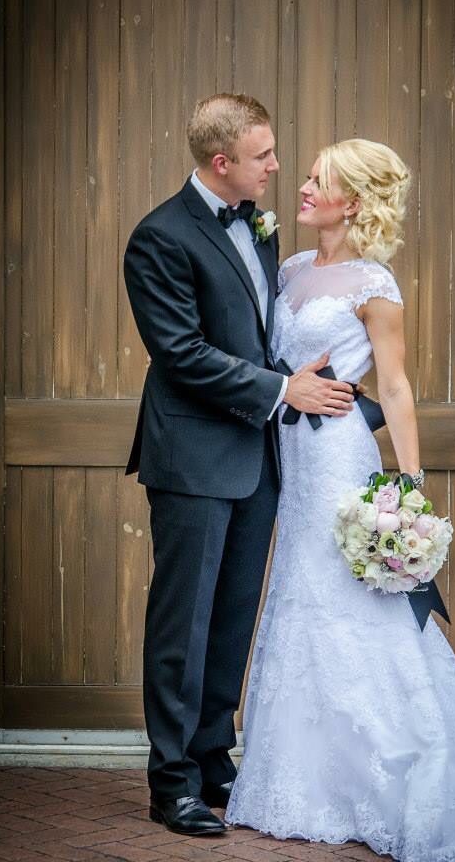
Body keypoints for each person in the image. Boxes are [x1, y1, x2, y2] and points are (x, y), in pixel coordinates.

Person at [225, 138, 455, 859]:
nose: (300, 188)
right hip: (290, 461)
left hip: (339, 459)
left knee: (353, 605)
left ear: (354, 202)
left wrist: (408, 482)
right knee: (300, 600)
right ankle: (304, 778)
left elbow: (393, 385)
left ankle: (388, 768)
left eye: (317, 181)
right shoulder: (294, 267)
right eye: (302, 177)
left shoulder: (375, 284)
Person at [123, 94, 355, 837]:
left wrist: (293, 374)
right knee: (182, 625)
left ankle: (213, 757)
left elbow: (252, 338)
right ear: (222, 163)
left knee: (230, 620)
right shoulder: (158, 238)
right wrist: (279, 388)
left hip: (258, 455)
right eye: (265, 155)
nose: (278, 167)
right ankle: (173, 782)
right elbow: (182, 354)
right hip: (191, 456)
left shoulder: (261, 228)